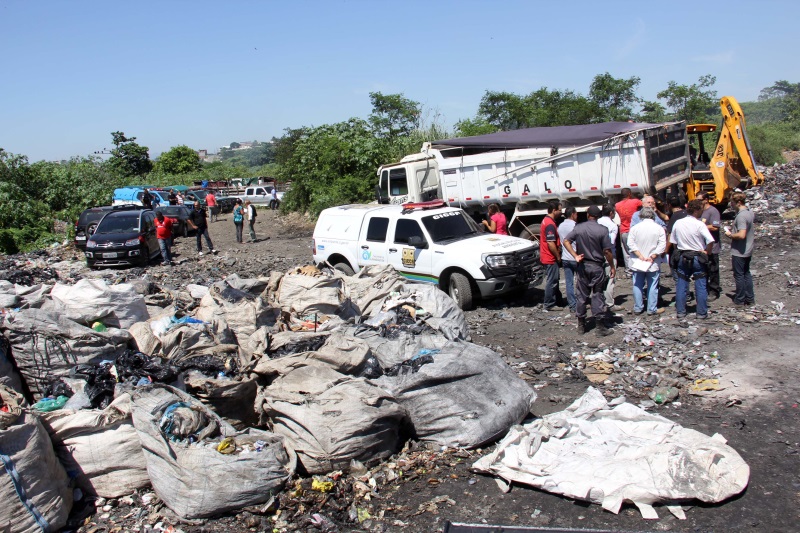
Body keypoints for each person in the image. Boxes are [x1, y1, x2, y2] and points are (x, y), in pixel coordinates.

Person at [563, 205, 616, 336]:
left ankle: (581, 325)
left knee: (581, 295)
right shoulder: (603, 230)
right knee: (597, 294)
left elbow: (566, 241)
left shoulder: (579, 228)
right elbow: (607, 251)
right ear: (598, 216)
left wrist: (575, 255)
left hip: (583, 265)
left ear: (588, 215)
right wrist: (612, 266)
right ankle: (599, 327)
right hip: (597, 266)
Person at [669, 199, 714, 319]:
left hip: (682, 255)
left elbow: (673, 241)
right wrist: (707, 252)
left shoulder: (678, 223)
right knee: (700, 284)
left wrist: (678, 251)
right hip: (697, 257)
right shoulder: (699, 224)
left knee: (681, 284)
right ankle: (701, 313)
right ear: (696, 210)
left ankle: (681, 311)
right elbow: (710, 240)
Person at [627, 207, 667, 315]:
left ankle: (638, 307)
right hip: (652, 262)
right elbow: (662, 245)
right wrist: (653, 255)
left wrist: (640, 255)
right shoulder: (659, 228)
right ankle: (651, 308)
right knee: (653, 285)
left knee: (637, 284)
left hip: (637, 261)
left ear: (641, 216)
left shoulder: (635, 228)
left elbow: (630, 243)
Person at [724, 192, 755, 306]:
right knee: (746, 273)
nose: (731, 205)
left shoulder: (741, 216)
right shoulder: (749, 212)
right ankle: (750, 298)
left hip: (740, 250)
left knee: (739, 275)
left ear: (738, 202)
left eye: (732, 202)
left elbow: (741, 235)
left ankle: (740, 298)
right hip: (748, 248)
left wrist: (730, 234)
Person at [697, 191, 721, 301]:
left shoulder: (713, 211)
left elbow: (715, 226)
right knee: (703, 269)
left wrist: (702, 227)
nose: (698, 202)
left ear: (706, 200)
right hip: (701, 246)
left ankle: (714, 290)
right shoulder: (699, 211)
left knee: (713, 269)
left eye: (699, 200)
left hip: (713, 246)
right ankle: (704, 289)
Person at [539, 200, 562, 310]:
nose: (561, 212)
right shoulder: (550, 224)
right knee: (552, 281)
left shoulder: (546, 221)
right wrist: (557, 256)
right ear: (554, 210)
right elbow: (550, 243)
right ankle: (549, 304)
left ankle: (557, 300)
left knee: (554, 279)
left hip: (547, 256)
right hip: (550, 257)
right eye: (560, 210)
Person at [615, 188, 642, 273]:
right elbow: (642, 204)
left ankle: (629, 270)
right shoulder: (635, 202)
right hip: (634, 229)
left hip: (624, 230)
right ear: (629, 194)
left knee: (626, 252)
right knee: (637, 249)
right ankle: (638, 268)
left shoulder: (617, 205)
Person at [598, 204, 619, 311]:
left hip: (596, 254)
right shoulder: (613, 225)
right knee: (610, 278)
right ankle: (609, 303)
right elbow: (610, 243)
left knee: (599, 279)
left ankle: (599, 301)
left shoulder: (597, 222)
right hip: (608, 254)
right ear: (611, 213)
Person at [558, 206, 579, 313]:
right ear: (572, 214)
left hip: (565, 258)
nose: (577, 216)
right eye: (576, 214)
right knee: (580, 282)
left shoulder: (560, 226)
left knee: (569, 283)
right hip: (575, 257)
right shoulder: (575, 226)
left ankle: (572, 305)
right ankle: (581, 303)